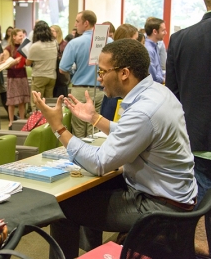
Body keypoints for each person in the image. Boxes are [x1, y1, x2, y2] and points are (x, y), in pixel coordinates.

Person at [32, 39, 198, 258]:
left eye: (102, 71)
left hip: (159, 207)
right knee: (89, 194)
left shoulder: (144, 111)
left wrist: (58, 127)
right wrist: (95, 118)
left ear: (124, 73)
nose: (99, 78)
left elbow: (100, 163)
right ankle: (94, 252)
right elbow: (132, 132)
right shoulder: (157, 93)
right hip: (173, 195)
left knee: (63, 208)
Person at [166, 0, 211, 208]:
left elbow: (172, 95)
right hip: (197, 137)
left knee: (198, 207)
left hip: (195, 134)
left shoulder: (180, 39)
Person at [59, 10, 104, 138]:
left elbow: (63, 68)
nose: (75, 24)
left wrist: (75, 70)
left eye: (77, 21)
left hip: (79, 90)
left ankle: (79, 157)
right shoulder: (108, 41)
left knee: (78, 130)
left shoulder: (74, 43)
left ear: (86, 23)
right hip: (101, 89)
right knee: (95, 127)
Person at [26, 20, 57, 111]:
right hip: (52, 76)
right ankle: (47, 122)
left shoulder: (35, 46)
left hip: (39, 76)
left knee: (36, 102)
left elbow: (28, 63)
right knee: (48, 102)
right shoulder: (54, 43)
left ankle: (36, 122)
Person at [3, 28, 30, 129]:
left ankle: (22, 120)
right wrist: (14, 62)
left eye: (22, 36)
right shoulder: (8, 49)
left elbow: (27, 62)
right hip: (13, 77)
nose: (21, 38)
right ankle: (11, 121)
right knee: (12, 102)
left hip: (22, 75)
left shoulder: (24, 48)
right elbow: (5, 65)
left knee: (22, 101)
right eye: (19, 36)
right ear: (14, 36)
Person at [144, 17, 167, 84]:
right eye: (163, 30)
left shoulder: (155, 46)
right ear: (155, 31)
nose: (165, 33)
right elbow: (153, 77)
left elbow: (158, 70)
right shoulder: (149, 50)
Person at [51, 24, 69, 97]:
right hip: (52, 73)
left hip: (61, 77)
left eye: (52, 31)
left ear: (58, 32)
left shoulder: (65, 44)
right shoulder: (49, 44)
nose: (50, 33)